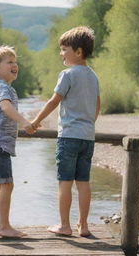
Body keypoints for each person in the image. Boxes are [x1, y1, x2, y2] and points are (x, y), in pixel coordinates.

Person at [32, 26, 100, 237]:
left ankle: (64, 225)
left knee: (64, 182)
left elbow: (54, 101)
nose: (61, 53)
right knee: (83, 182)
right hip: (87, 137)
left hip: (69, 136)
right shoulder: (93, 76)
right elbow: (97, 105)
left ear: (78, 52)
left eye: (64, 49)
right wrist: (88, 123)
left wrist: (36, 121)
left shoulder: (67, 74)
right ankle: (84, 225)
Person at [0, 45, 34, 238]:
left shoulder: (2, 87)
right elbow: (5, 108)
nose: (15, 65)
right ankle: (4, 226)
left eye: (15, 62)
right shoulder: (2, 87)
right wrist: (25, 122)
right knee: (7, 184)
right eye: (9, 62)